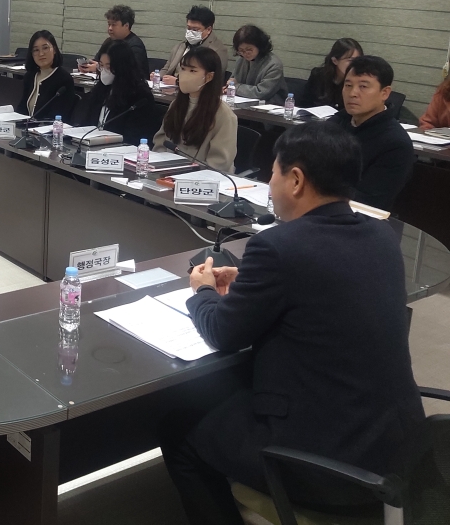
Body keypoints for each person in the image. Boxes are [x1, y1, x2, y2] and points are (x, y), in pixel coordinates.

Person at [162, 121, 424, 524]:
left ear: (296, 180)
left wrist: (202, 291)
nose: (269, 183)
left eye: (273, 173)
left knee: (178, 428)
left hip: (327, 462)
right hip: (396, 450)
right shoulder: (382, 236)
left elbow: (223, 332)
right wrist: (252, 284)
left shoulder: (277, 246)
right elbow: (324, 288)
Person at [330, 56, 414, 210]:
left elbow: (369, 201)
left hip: (356, 217)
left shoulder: (396, 144)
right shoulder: (335, 123)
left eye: (363, 86)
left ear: (385, 93)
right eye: (348, 85)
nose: (352, 93)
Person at [153, 46, 237, 173]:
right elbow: (161, 143)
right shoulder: (176, 105)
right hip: (168, 172)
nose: (184, 75)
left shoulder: (224, 115)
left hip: (202, 178)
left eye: (192, 70)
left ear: (209, 77)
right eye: (183, 69)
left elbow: (220, 162)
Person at [77, 38, 159, 145]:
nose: (104, 71)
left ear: (122, 67)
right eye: (101, 65)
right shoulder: (101, 89)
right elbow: (87, 123)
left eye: (109, 66)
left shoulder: (139, 96)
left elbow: (134, 138)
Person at [15, 30, 76, 121]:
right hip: (27, 128)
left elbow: (59, 115)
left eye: (45, 48)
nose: (41, 54)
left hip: (49, 129)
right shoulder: (30, 76)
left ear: (54, 49)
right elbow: (22, 107)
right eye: (36, 50)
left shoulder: (64, 79)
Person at [160, 6, 229, 85]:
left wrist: (177, 82)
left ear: (208, 29)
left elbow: (212, 80)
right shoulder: (181, 46)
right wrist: (158, 76)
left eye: (195, 29)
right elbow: (167, 68)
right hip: (169, 87)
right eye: (189, 28)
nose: (190, 32)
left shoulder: (217, 50)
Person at [78, 5, 148, 77]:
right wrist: (88, 66)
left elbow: (131, 71)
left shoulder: (135, 45)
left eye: (114, 25)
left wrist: (99, 68)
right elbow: (97, 61)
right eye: (109, 24)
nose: (110, 28)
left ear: (126, 26)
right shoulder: (108, 42)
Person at [296, 38, 363, 111]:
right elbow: (304, 104)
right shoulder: (318, 75)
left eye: (357, 60)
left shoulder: (358, 81)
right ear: (335, 60)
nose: (354, 65)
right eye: (350, 60)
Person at [228, 25, 286, 104]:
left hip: (270, 106)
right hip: (245, 103)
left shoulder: (274, 64)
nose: (245, 53)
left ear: (259, 45)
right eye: (241, 50)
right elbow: (233, 81)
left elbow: (261, 93)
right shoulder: (241, 60)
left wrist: (236, 87)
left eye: (249, 49)